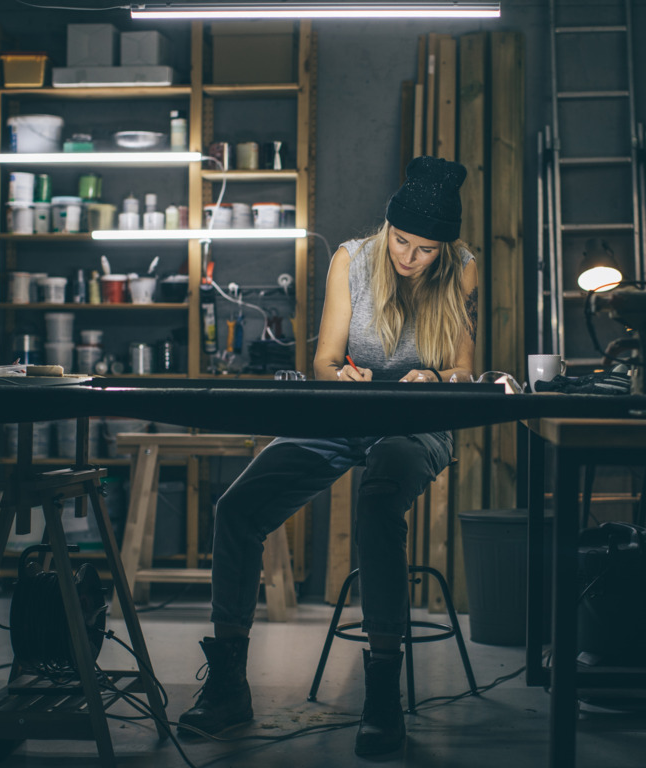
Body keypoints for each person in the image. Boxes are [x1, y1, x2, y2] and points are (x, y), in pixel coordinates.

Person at [178, 156, 478, 756]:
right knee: (237, 508)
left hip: (419, 425)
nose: (408, 257)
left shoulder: (461, 271)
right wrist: (345, 375)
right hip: (345, 415)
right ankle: (230, 685)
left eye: (424, 249)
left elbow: (466, 372)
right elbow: (322, 360)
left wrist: (434, 377)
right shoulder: (353, 259)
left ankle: (382, 696)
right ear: (386, 228)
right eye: (401, 241)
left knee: (378, 503)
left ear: (443, 249)